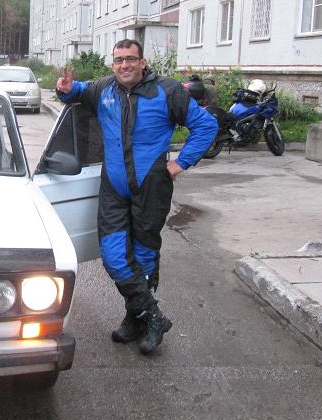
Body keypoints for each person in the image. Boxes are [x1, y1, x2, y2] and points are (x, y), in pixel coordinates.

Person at [55, 40, 217, 355]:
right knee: (114, 256)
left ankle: (136, 317)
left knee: (143, 257)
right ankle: (153, 315)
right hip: (114, 188)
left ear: (142, 62)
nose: (124, 65)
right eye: (118, 60)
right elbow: (75, 91)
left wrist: (181, 162)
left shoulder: (167, 91)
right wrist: (64, 88)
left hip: (152, 187)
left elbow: (206, 125)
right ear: (112, 64)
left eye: (131, 59)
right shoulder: (103, 89)